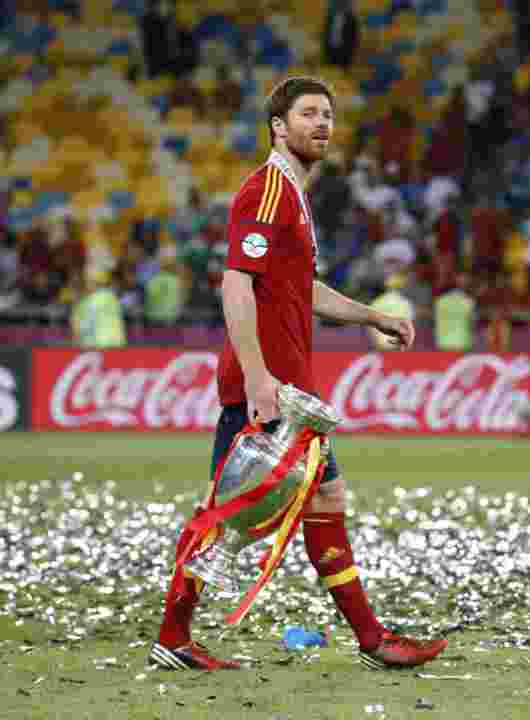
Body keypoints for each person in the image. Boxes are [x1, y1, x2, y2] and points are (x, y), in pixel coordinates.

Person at [150, 77, 447, 673]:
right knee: (222, 514)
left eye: (329, 115)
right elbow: (236, 284)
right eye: (308, 113)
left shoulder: (293, 196)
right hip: (269, 388)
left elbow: (295, 288)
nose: (323, 123)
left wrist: (374, 316)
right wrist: (259, 379)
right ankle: (176, 637)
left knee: (325, 499)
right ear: (278, 127)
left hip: (293, 390)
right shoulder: (265, 192)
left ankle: (372, 639)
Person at [71, 269, 127, 348]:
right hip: (117, 342)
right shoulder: (112, 297)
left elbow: (83, 327)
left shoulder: (87, 302)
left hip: (98, 344)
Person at [368, 273, 415, 350]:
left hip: (382, 344)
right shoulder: (405, 302)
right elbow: (410, 324)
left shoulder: (376, 303)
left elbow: (371, 326)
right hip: (400, 344)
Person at [434, 273, 475, 351]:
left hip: (443, 342)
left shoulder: (439, 302)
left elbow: (435, 321)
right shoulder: (468, 302)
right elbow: (472, 322)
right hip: (462, 342)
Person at [144, 248, 184, 325]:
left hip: (158, 319)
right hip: (168, 319)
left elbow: (149, 294)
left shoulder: (156, 278)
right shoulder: (176, 280)